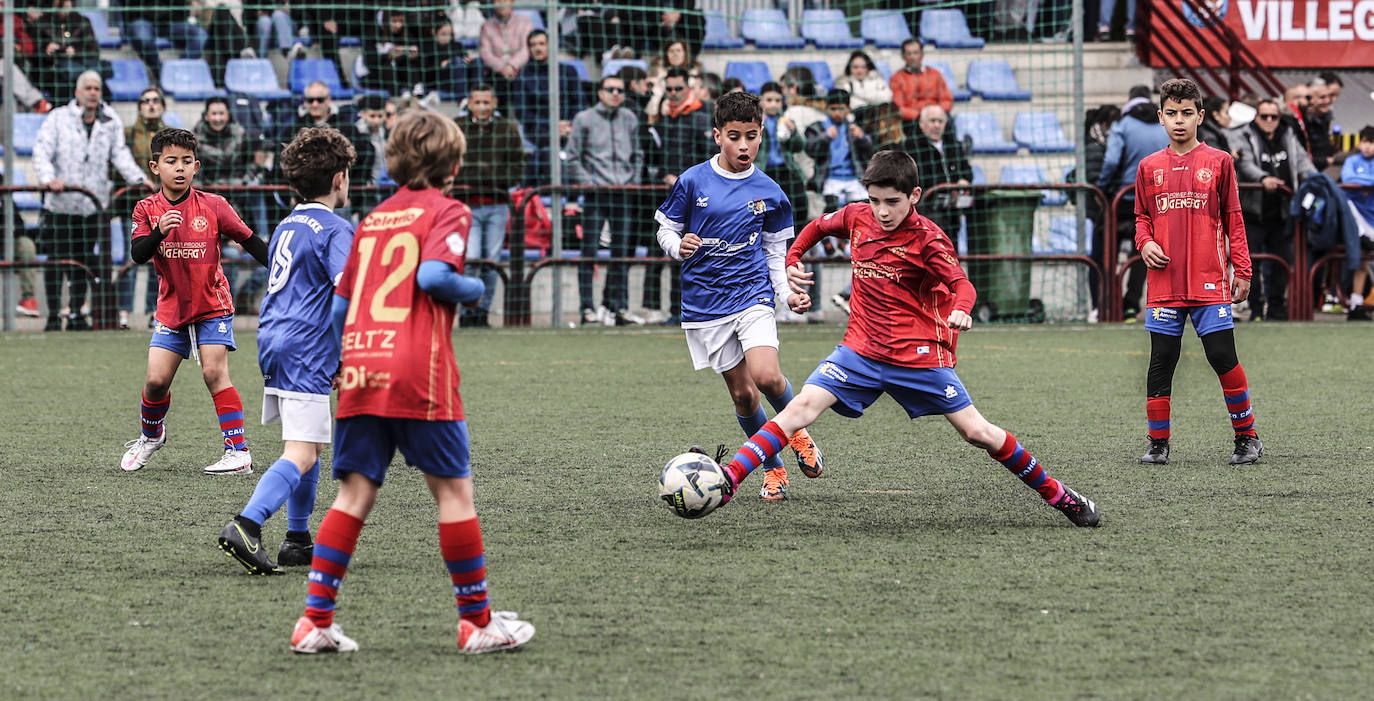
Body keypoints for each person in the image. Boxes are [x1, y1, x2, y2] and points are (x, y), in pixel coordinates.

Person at [696, 149, 1099, 527]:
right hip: (860, 350)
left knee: (978, 432)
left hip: (918, 356)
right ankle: (730, 479)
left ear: (914, 196)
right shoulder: (857, 217)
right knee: (800, 407)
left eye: (892, 202)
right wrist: (792, 260)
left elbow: (962, 284)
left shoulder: (929, 239)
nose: (882, 211)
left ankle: (1061, 496)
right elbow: (818, 226)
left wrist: (962, 307)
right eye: (875, 200)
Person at [289, 108, 535, 655]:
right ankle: (475, 623)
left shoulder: (372, 219)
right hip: (417, 370)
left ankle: (313, 621)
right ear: (452, 164)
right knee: (453, 492)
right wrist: (475, 290)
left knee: (353, 493)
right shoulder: (448, 210)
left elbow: (339, 307)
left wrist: (339, 362)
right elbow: (431, 277)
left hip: (361, 365)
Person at [654, 91, 823, 501]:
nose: (744, 145)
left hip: (751, 294)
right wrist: (678, 247)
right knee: (744, 395)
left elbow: (774, 252)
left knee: (766, 376)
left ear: (762, 134)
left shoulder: (770, 191)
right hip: (705, 304)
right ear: (717, 136)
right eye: (734, 136)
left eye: (751, 135)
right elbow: (665, 229)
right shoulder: (693, 180)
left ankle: (796, 432)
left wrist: (786, 293)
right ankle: (774, 468)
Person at [217, 127, 356, 576]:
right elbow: (346, 294)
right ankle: (247, 524)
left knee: (309, 441)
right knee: (303, 450)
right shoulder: (336, 229)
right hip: (307, 346)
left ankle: (297, 540)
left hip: (274, 339)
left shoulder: (288, 222)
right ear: (339, 179)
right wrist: (345, 356)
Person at [118, 127, 270, 475]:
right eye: (171, 161)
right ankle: (151, 436)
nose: (180, 168)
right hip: (171, 309)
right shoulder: (146, 209)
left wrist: (281, 270)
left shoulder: (214, 205)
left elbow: (250, 241)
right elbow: (138, 255)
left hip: (211, 304)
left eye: (186, 161)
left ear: (197, 165)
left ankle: (238, 452)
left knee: (214, 372)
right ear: (155, 167)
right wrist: (160, 232)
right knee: (156, 382)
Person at [1133, 78, 1263, 466]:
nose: (1179, 120)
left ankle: (1247, 437)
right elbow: (1141, 217)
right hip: (1164, 284)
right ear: (1160, 117)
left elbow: (1233, 218)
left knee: (1223, 356)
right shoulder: (1148, 167)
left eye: (1186, 113)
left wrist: (1242, 267)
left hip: (1209, 282)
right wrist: (1145, 244)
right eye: (1171, 113)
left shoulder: (1220, 162)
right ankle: (1158, 443)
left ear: (1200, 116)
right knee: (1161, 362)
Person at [32, 71, 152, 332]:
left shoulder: (110, 120)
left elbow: (120, 154)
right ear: (77, 92)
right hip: (60, 204)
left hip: (92, 205)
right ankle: (53, 315)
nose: (93, 92)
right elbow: (42, 150)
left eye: (97, 88)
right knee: (56, 261)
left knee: (84, 261)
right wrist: (48, 178)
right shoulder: (58, 119)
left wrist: (140, 179)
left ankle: (76, 314)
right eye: (88, 87)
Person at [565, 75, 643, 325]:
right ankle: (587, 309)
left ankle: (618, 308)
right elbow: (573, 156)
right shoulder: (584, 119)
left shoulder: (630, 119)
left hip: (623, 193)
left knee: (621, 253)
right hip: (596, 195)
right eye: (610, 89)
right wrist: (589, 183)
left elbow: (638, 154)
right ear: (600, 92)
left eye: (620, 89)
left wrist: (633, 180)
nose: (615, 93)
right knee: (589, 252)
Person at [1233, 98, 1316, 321]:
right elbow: (1246, 164)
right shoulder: (1245, 135)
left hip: (1282, 211)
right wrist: (1263, 178)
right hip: (1254, 211)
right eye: (1264, 116)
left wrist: (1316, 180)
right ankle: (1257, 310)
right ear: (1256, 117)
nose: (1269, 121)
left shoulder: (1287, 135)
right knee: (1252, 263)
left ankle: (1277, 309)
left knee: (1281, 261)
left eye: (1274, 116)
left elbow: (1303, 163)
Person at [644, 66, 714, 325]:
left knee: (688, 252)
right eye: (669, 89)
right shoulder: (662, 117)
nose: (673, 94)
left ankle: (683, 309)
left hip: (694, 196)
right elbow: (653, 154)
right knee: (660, 249)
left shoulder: (702, 115)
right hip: (664, 195)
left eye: (678, 89)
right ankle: (654, 308)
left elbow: (707, 157)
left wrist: (683, 179)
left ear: (688, 88)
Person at [452, 83, 525, 328]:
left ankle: (482, 312)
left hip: (497, 204)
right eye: (478, 102)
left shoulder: (507, 129)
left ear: (494, 103)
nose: (482, 107)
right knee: (471, 259)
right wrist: (482, 176)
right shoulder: (457, 128)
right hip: (467, 205)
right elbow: (452, 164)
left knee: (491, 262)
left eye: (486, 102)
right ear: (470, 103)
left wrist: (483, 177)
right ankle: (467, 311)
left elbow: (517, 168)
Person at [1097, 85, 1169, 319]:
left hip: (1123, 199)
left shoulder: (1123, 124)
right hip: (1155, 200)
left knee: (1108, 251)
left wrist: (1102, 187)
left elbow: (1111, 161)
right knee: (1143, 253)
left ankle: (1108, 305)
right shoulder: (1164, 124)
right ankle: (1131, 304)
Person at [195, 96, 270, 310]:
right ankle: (223, 304)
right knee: (228, 255)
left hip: (238, 205)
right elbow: (195, 178)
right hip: (208, 210)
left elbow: (252, 166)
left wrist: (242, 184)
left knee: (267, 257)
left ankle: (242, 297)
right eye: (214, 113)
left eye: (222, 113)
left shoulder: (242, 136)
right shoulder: (195, 140)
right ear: (207, 116)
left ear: (228, 116)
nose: (218, 118)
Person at [117, 87, 171, 330]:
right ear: (139, 106)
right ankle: (124, 312)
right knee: (131, 255)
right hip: (133, 202)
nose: (151, 104)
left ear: (162, 106)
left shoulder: (171, 137)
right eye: (145, 100)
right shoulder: (127, 134)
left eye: (155, 100)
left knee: (159, 258)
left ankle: (155, 311)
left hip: (161, 202)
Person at [512, 30, 584, 186]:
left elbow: (579, 102)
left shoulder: (568, 71)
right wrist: (553, 125)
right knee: (548, 146)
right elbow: (523, 113)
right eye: (533, 45)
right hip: (539, 129)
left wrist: (569, 123)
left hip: (570, 127)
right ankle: (561, 191)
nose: (537, 48)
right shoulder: (523, 77)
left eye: (541, 44)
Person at [906, 105, 972, 239]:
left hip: (952, 210)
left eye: (940, 121)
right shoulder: (912, 147)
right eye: (932, 121)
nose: (936, 125)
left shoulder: (953, 145)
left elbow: (967, 170)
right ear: (922, 124)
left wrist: (963, 180)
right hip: (928, 209)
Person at [805, 88, 874, 211]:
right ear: (827, 108)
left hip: (853, 177)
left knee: (863, 209)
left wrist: (863, 138)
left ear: (848, 109)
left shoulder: (853, 129)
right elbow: (810, 150)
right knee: (832, 211)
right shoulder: (818, 128)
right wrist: (825, 137)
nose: (837, 113)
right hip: (829, 178)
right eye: (833, 109)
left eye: (841, 109)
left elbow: (869, 152)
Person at [28, 0, 96, 103]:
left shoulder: (83, 22)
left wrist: (75, 51)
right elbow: (32, 52)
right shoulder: (42, 22)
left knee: (97, 86)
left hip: (77, 68)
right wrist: (47, 50)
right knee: (62, 86)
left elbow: (93, 50)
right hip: (50, 69)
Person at [479, 0, 532, 104]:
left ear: (512, 2)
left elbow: (526, 49)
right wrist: (502, 67)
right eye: (497, 1)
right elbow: (486, 53)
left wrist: (512, 65)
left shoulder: (525, 22)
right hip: (497, 72)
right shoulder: (486, 26)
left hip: (520, 69)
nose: (501, 4)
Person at [889, 40, 952, 127]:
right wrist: (920, 115)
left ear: (922, 55)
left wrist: (935, 113)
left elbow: (947, 100)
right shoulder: (896, 78)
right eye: (908, 53)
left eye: (916, 53)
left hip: (935, 115)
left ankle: (955, 141)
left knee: (947, 120)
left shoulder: (935, 74)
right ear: (903, 57)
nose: (912, 57)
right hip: (913, 120)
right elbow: (898, 108)